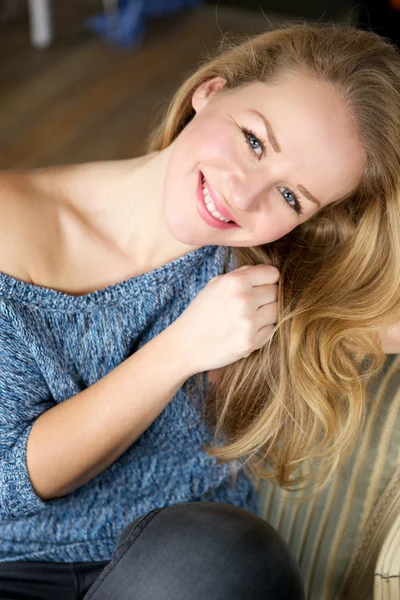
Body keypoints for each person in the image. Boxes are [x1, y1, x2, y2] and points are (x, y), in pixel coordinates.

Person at [0, 22, 399, 600]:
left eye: (292, 196)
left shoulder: (259, 275)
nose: (246, 194)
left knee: (229, 555)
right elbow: (10, 482)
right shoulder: (11, 224)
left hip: (185, 573)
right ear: (210, 91)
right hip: (18, 568)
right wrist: (182, 349)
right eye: (254, 141)